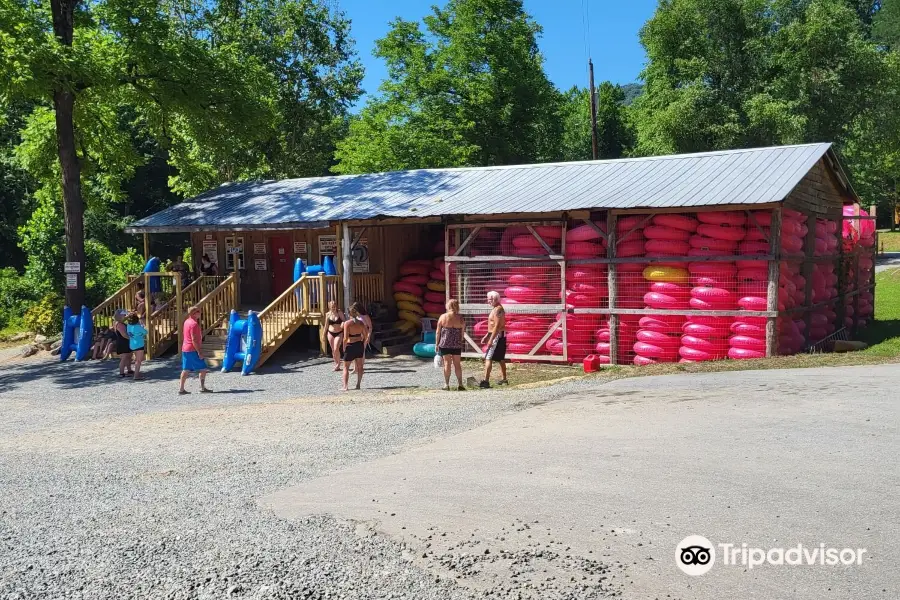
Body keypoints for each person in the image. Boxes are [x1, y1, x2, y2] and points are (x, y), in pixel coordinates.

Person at [179, 305, 211, 394]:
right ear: (194, 313)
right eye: (198, 311)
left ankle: (181, 389)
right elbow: (194, 339)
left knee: (186, 369)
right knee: (203, 368)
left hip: (185, 348)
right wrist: (199, 352)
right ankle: (202, 387)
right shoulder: (194, 324)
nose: (200, 313)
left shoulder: (186, 322)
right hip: (192, 349)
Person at [435, 299, 466, 391]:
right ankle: (460, 384)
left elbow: (438, 332)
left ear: (448, 306)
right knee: (457, 364)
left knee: (447, 364)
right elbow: (462, 332)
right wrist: (460, 341)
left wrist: (436, 343)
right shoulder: (460, 318)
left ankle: (446, 384)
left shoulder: (443, 317)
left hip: (445, 343)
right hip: (456, 344)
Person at [479, 291, 508, 388]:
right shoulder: (495, 309)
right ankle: (504, 379)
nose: (489, 301)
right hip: (497, 335)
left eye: (490, 299)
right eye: (488, 299)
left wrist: (491, 339)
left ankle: (486, 381)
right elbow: (492, 325)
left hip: (497, 336)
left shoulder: (498, 309)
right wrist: (487, 335)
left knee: (488, 357)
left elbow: (497, 326)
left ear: (496, 299)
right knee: (500, 358)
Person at [341, 304, 368, 391]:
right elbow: (365, 335)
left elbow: (345, 338)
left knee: (346, 367)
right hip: (359, 345)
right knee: (360, 366)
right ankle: (358, 385)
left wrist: (344, 347)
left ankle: (345, 387)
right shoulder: (361, 323)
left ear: (349, 314)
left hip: (350, 345)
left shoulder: (347, 323)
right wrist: (362, 340)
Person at [125, 312, 148, 380]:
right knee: (138, 361)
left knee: (136, 359)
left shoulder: (128, 326)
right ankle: (136, 375)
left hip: (132, 344)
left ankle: (136, 373)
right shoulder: (138, 327)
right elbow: (145, 332)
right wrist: (143, 325)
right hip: (139, 344)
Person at [323, 300, 345, 371]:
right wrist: (323, 335)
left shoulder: (339, 312)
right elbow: (326, 325)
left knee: (336, 348)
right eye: (332, 307)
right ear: (329, 307)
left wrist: (342, 323)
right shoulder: (328, 314)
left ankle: (338, 364)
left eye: (335, 306)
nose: (334, 308)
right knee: (333, 349)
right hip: (330, 332)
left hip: (339, 332)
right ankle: (336, 364)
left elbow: (344, 321)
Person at [113, 310, 133, 377]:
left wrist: (129, 314)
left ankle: (129, 370)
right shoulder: (119, 324)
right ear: (119, 316)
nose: (125, 316)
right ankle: (121, 373)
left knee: (129, 357)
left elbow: (126, 316)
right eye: (123, 315)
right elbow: (124, 334)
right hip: (123, 342)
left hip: (126, 342)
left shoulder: (120, 322)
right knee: (124, 358)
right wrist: (132, 339)